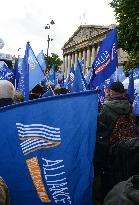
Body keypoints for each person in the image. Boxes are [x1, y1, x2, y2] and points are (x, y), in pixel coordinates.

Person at [93, 81, 137, 204]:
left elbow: (100, 131)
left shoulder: (106, 107)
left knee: (107, 179)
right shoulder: (130, 106)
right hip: (129, 147)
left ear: (112, 91)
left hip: (110, 149)